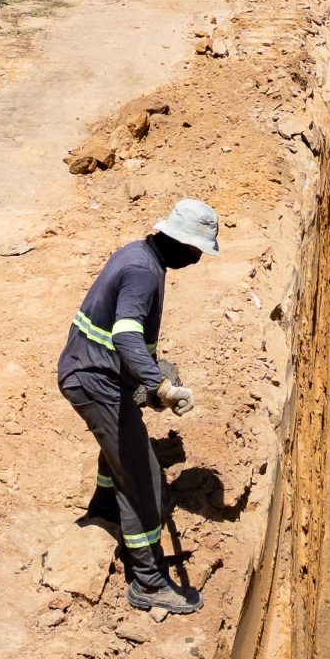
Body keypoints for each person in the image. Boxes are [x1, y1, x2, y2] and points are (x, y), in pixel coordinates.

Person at [57, 198, 217, 614]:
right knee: (143, 474)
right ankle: (147, 580)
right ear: (180, 242)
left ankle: (105, 507)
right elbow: (127, 336)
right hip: (94, 380)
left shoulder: (138, 254)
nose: (199, 258)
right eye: (198, 249)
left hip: (96, 372)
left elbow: (124, 339)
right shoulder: (144, 273)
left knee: (122, 446)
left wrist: (145, 382)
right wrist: (160, 386)